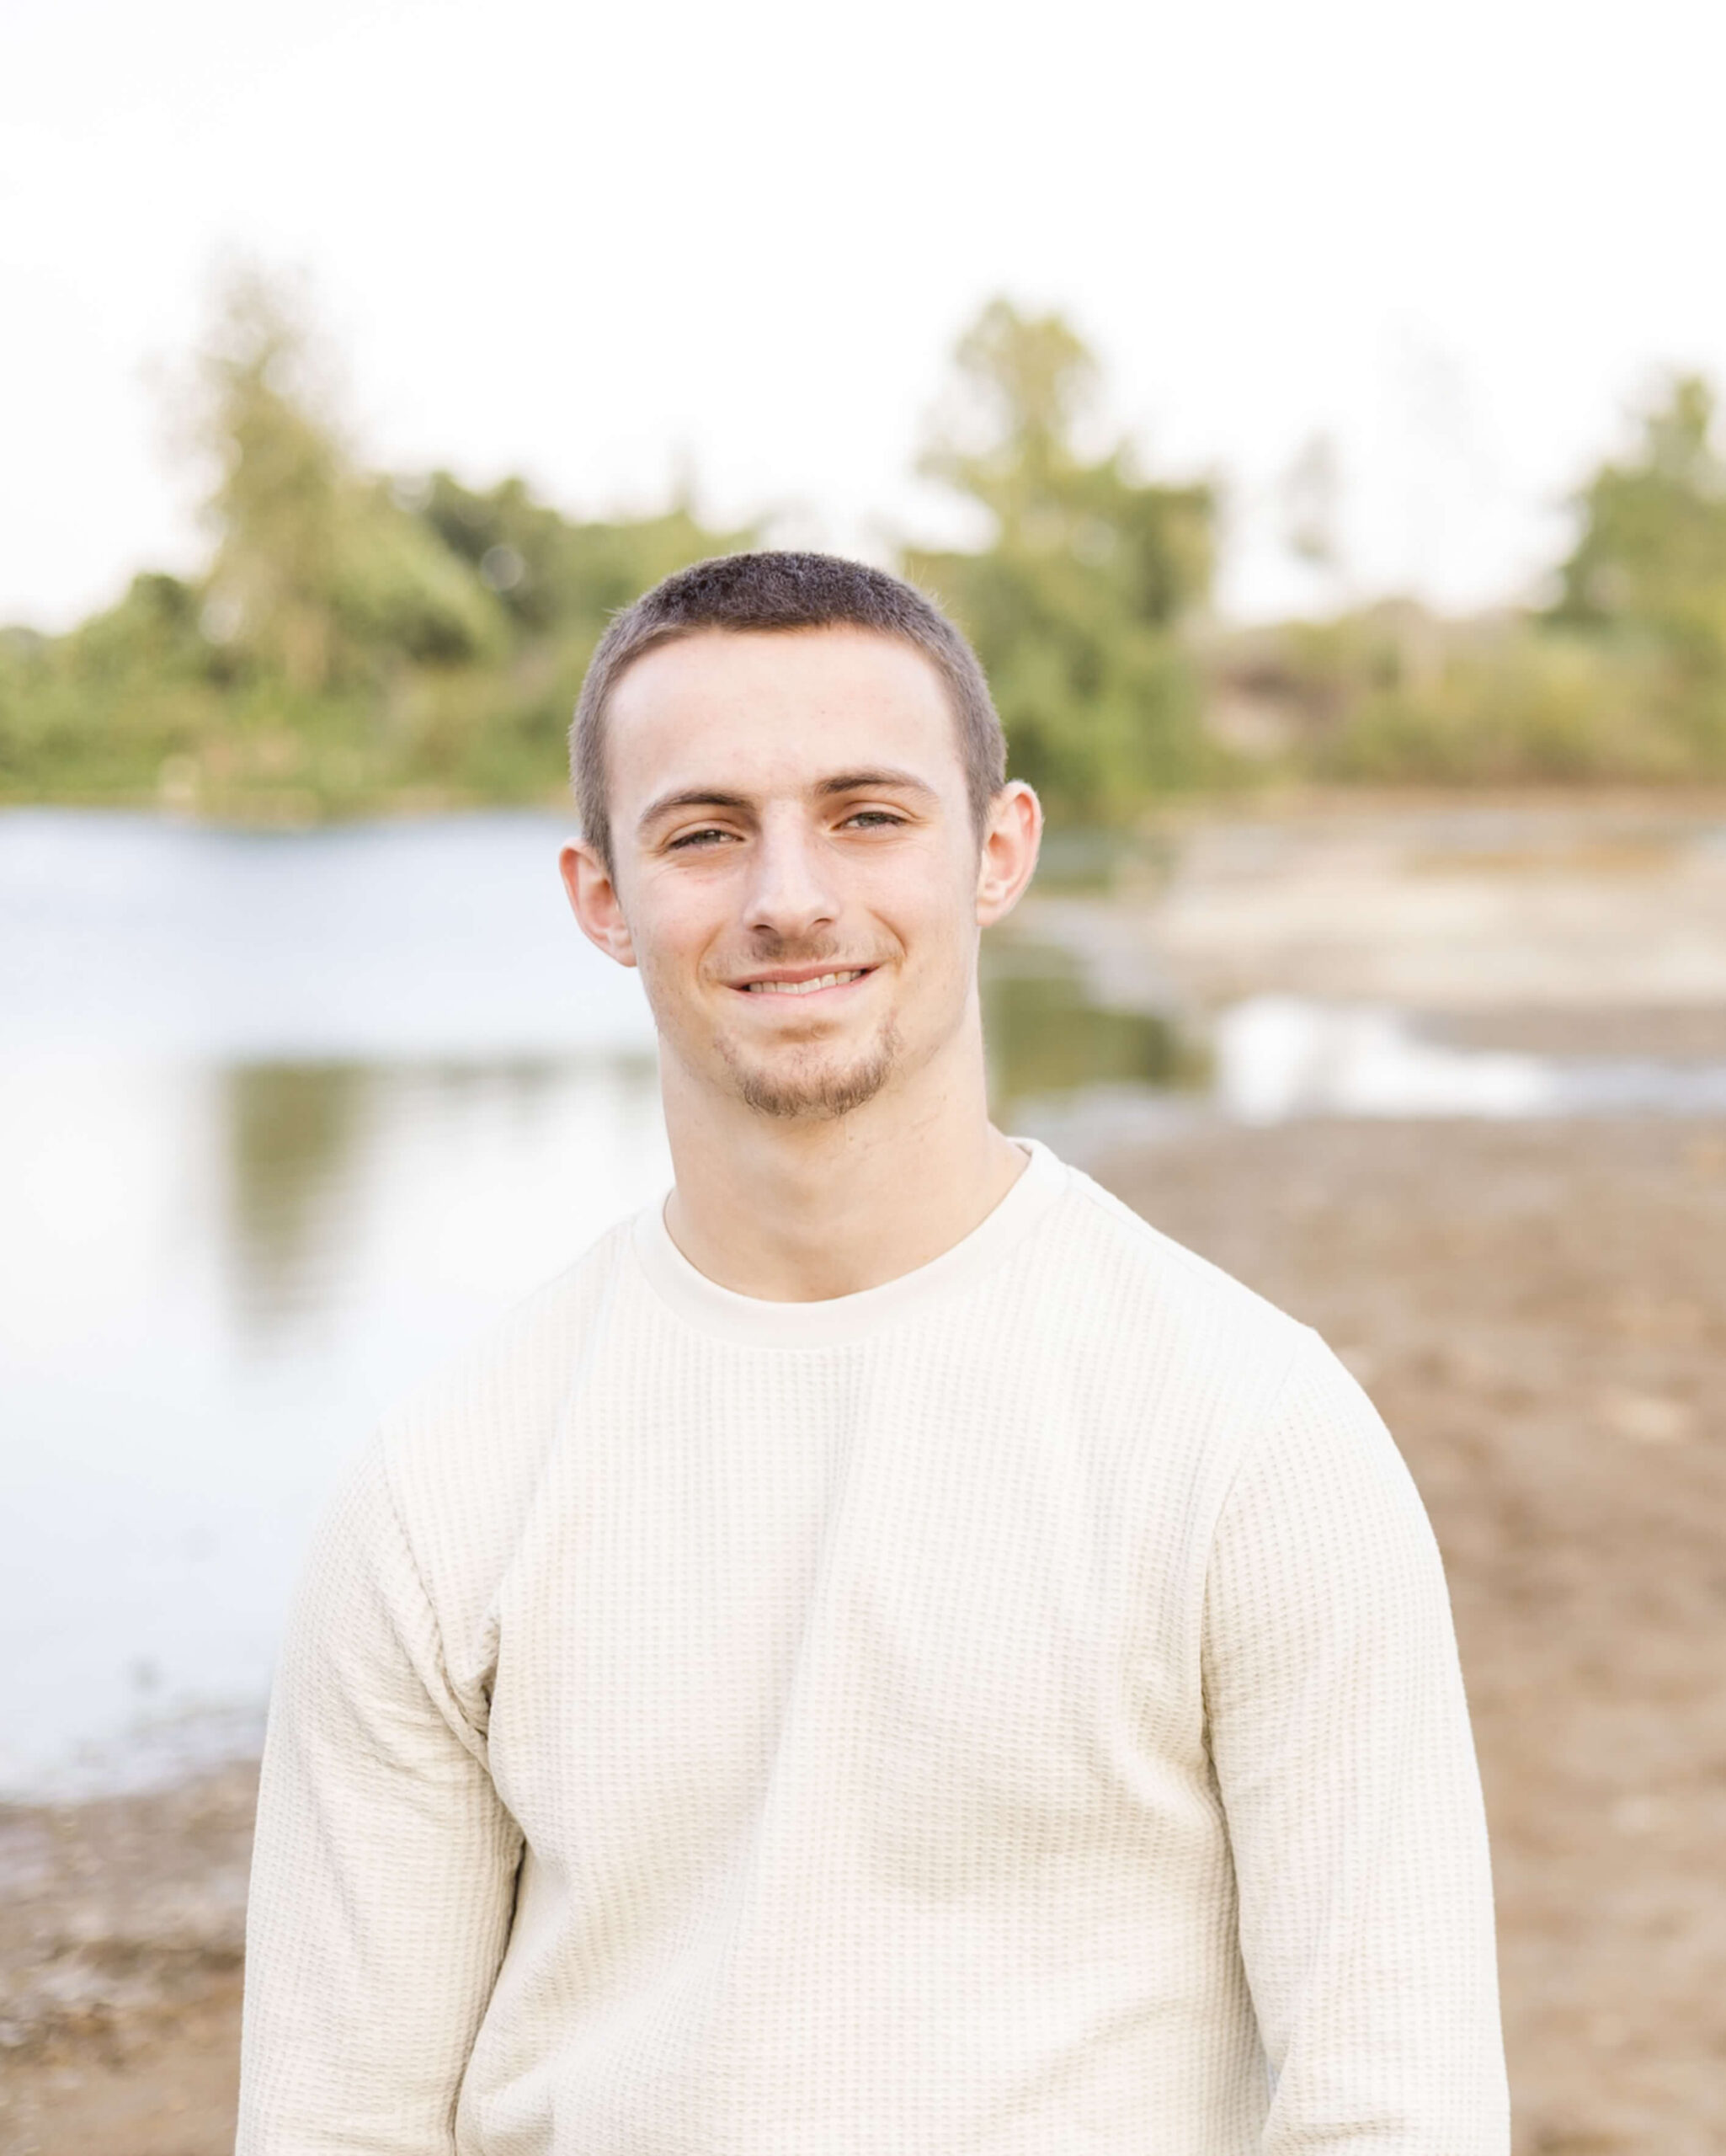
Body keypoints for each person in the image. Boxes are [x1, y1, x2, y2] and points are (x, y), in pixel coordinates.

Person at [237, 551, 1510, 2153]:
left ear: (996, 850)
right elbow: (335, 2122)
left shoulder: (1250, 1437)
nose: (788, 896)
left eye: (866, 814)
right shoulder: (441, 1493)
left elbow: (1396, 2108)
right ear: (603, 899)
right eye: (704, 832)